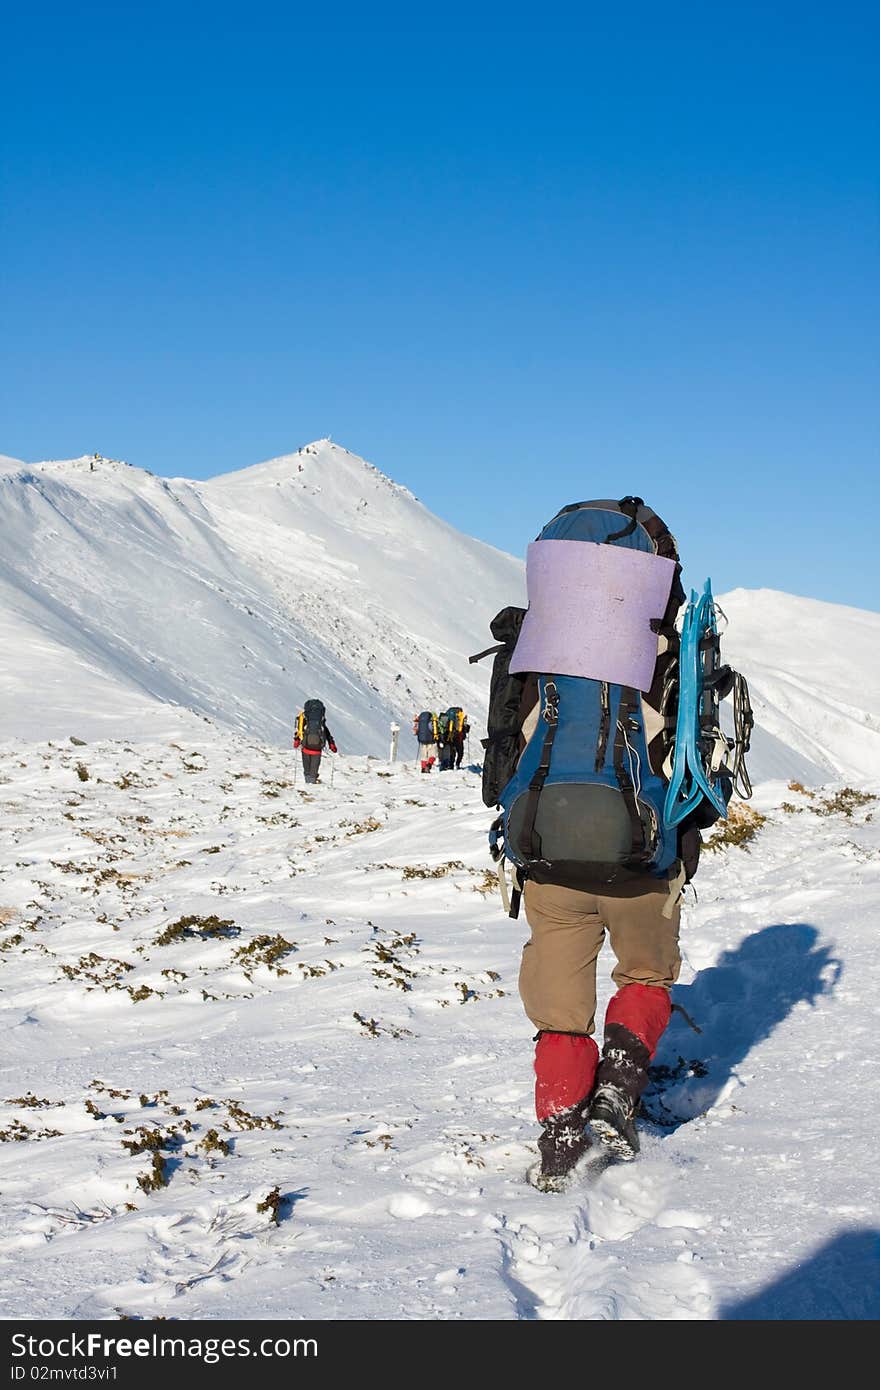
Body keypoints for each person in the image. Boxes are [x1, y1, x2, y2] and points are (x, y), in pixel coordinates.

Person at [474, 496, 748, 1192]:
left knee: (558, 1003)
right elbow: (705, 767)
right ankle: (619, 1089)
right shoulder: (673, 648)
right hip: (643, 854)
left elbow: (499, 765)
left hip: (545, 850)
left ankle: (561, 1131)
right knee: (645, 973)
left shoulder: (530, 648)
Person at [293, 699, 337, 784]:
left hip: (306, 747)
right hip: (317, 749)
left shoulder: (305, 718)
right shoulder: (320, 721)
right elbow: (326, 732)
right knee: (313, 770)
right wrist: (331, 744)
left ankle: (307, 785)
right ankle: (312, 786)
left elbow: (299, 730)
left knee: (306, 770)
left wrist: (297, 740)